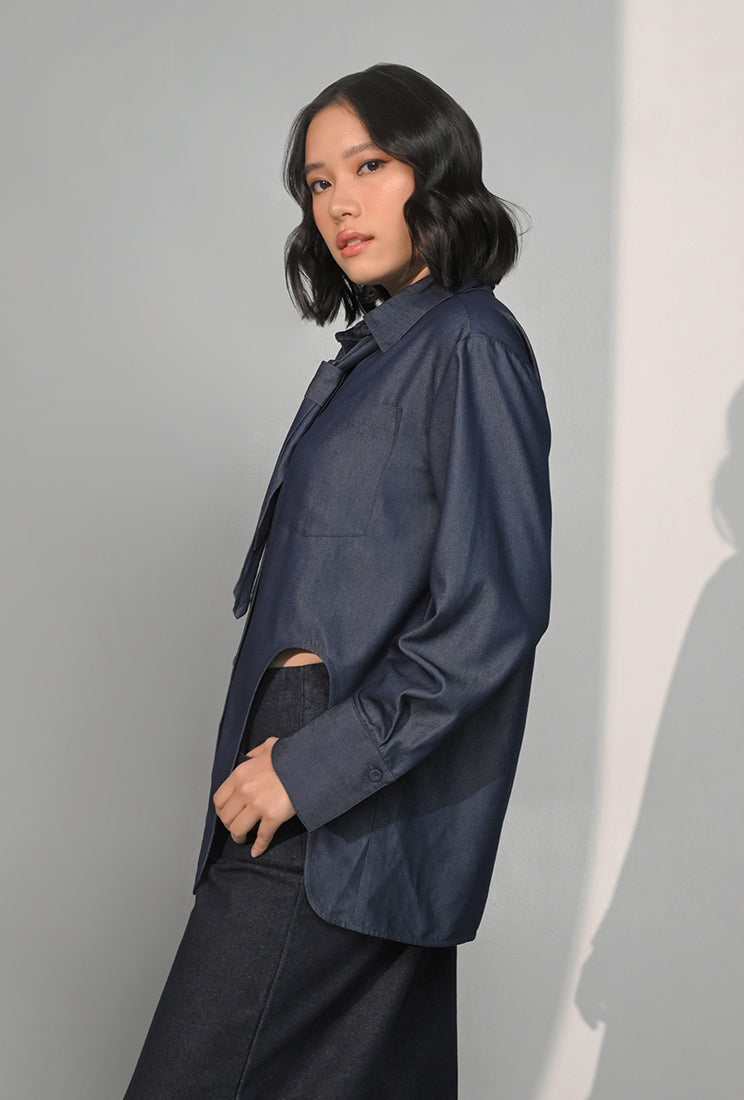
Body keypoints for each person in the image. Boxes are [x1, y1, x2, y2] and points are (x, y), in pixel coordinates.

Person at [125, 62, 551, 1100]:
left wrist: (308, 766)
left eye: (369, 166)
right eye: (318, 183)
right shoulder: (386, 352)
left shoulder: (467, 343)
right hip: (330, 777)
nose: (340, 205)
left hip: (338, 784)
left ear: (435, 169)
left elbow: (492, 612)